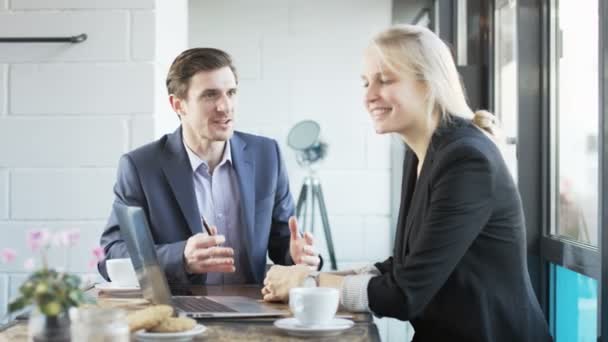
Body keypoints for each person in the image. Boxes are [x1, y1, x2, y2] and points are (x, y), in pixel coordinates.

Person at [261, 25, 552, 341]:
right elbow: (403, 266)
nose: (369, 95)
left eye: (384, 81)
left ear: (428, 85)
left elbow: (404, 295)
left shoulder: (467, 160)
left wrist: (308, 284)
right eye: (365, 83)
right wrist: (311, 276)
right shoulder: (422, 153)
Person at [99, 48, 321, 286]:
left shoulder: (267, 155)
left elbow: (283, 243)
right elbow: (111, 253)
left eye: (231, 92)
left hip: (256, 312)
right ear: (178, 105)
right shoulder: (141, 167)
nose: (225, 107)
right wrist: (181, 257)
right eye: (210, 95)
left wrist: (301, 258)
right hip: (181, 315)